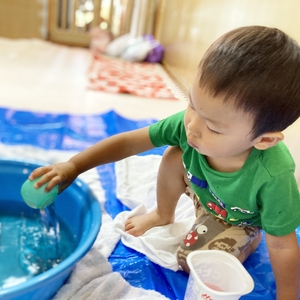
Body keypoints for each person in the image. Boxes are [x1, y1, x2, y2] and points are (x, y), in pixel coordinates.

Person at [29, 26, 300, 299]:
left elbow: (282, 246)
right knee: (176, 153)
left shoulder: (274, 175)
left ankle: (250, 240)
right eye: (192, 105)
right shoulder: (191, 127)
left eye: (214, 128)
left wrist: (287, 295)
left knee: (190, 260)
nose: (192, 126)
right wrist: (75, 166)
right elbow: (129, 142)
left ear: (263, 141)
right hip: (204, 191)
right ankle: (162, 213)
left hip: (238, 219)